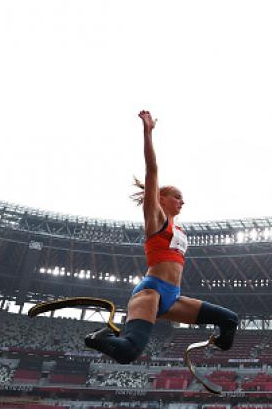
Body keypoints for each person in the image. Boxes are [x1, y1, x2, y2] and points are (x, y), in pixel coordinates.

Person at [84, 110, 238, 364]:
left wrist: (221, 343)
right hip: (151, 292)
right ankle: (95, 340)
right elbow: (151, 171)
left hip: (173, 298)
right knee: (128, 352)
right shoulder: (156, 219)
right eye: (177, 196)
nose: (182, 201)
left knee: (229, 320)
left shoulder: (179, 231)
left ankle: (220, 344)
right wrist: (148, 132)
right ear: (160, 198)